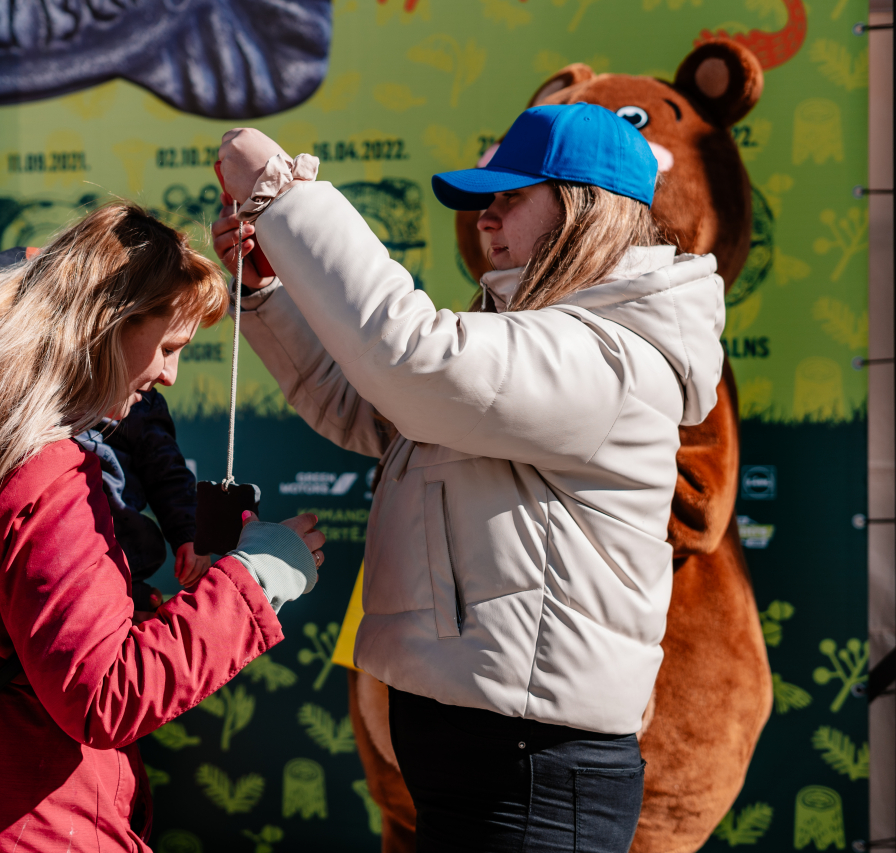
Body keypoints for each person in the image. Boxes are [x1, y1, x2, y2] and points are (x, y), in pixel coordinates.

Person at [211, 104, 725, 852]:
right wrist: (270, 292)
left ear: (585, 209)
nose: (487, 217)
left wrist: (289, 199)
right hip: (496, 765)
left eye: (510, 195)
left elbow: (413, 362)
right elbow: (375, 403)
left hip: (535, 777)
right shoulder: (547, 338)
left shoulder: (611, 355)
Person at [0, 202, 326, 852]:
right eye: (169, 346)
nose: (168, 376)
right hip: (21, 821)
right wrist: (255, 580)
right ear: (110, 323)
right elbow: (106, 694)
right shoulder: (40, 465)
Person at [0, 247, 213, 607]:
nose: (169, 376)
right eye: (166, 349)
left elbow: (168, 474)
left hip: (116, 561)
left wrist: (188, 533)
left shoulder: (141, 405)